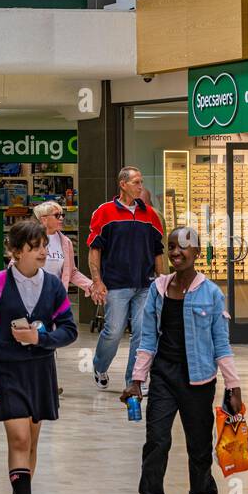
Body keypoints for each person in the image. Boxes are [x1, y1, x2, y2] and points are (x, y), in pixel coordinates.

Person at [123, 226, 241, 494]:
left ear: (197, 253)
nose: (176, 252)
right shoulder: (158, 290)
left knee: (199, 445)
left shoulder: (211, 294)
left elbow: (221, 344)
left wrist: (233, 386)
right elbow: (146, 338)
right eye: (171, 247)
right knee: (156, 442)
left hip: (200, 379)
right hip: (164, 376)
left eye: (183, 247)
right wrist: (137, 379)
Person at [0, 218, 78, 494]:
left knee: (31, 442)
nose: (43, 252)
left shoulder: (53, 286)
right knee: (19, 439)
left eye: (44, 246)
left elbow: (69, 329)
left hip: (40, 370)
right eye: (35, 247)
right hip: (7, 369)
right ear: (16, 251)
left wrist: (40, 337)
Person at [87, 166, 165, 391]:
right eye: (136, 182)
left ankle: (134, 381)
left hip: (145, 284)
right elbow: (95, 250)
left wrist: (161, 280)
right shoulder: (104, 212)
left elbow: (157, 250)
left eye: (141, 182)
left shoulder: (150, 214)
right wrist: (97, 281)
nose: (141, 187)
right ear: (123, 184)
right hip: (116, 284)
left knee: (142, 332)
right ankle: (100, 366)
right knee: (113, 331)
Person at [33, 200, 99, 300]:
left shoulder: (66, 242)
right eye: (57, 215)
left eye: (62, 215)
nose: (61, 218)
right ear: (44, 219)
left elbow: (72, 272)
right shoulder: (30, 239)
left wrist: (90, 285)